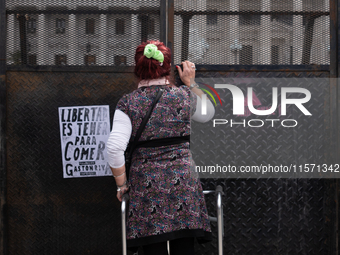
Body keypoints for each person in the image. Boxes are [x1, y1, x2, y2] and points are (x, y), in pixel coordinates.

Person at [106, 40, 215, 255]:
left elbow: (113, 149)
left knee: (152, 248)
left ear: (138, 69)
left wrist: (122, 185)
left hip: (146, 185)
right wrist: (191, 83)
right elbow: (209, 114)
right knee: (184, 246)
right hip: (183, 181)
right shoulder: (184, 96)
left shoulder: (128, 103)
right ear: (168, 68)